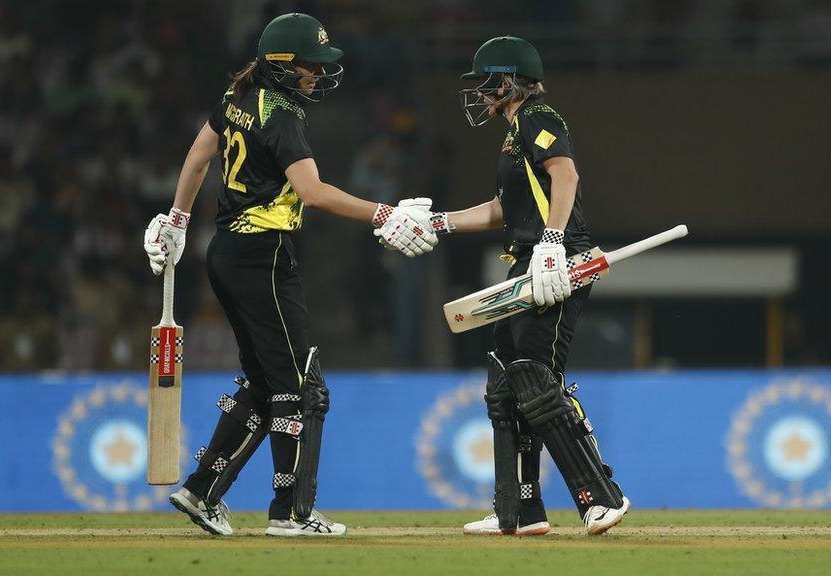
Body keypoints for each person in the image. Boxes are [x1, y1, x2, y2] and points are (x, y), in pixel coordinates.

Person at [142, 12, 437, 537]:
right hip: (264, 253)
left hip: (227, 253)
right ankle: (291, 513)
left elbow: (196, 157)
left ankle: (201, 489)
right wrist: (384, 213)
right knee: (300, 387)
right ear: (281, 66)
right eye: (309, 67)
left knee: (266, 381)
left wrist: (178, 220)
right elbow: (313, 191)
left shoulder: (236, 100)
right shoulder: (280, 115)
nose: (317, 76)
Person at [390, 36, 631, 536]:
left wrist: (551, 241)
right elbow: (503, 210)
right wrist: (439, 223)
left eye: (485, 84)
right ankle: (518, 510)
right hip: (528, 258)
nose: (479, 94)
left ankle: (600, 498)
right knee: (504, 381)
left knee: (535, 377)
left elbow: (565, 174)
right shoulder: (513, 134)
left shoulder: (541, 117)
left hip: (555, 259)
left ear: (509, 81)